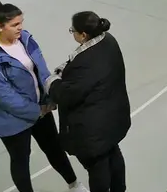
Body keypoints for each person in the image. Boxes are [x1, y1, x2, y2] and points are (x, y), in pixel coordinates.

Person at [0, 2, 87, 192]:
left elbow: (41, 69)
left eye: (21, 22)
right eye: (15, 25)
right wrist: (37, 111)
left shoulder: (25, 39)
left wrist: (51, 94)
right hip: (13, 119)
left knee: (54, 149)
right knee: (21, 160)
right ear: (0, 27)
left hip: (40, 109)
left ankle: (74, 184)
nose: (21, 27)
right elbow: (4, 96)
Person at [46, 12, 130, 192]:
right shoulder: (108, 40)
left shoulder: (85, 62)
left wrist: (51, 82)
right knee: (113, 154)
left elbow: (67, 95)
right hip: (112, 117)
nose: (73, 34)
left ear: (83, 34)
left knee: (97, 167)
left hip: (92, 128)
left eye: (73, 31)